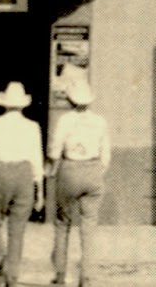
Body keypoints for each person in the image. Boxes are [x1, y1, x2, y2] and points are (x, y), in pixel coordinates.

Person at [0, 81, 44, 287]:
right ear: (23, 105)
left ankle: (1, 260)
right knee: (18, 227)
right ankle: (12, 273)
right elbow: (36, 158)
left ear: (4, 103)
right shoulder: (32, 127)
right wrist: (39, 190)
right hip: (24, 174)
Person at [48, 79, 109, 287]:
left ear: (70, 100)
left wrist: (54, 167)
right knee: (89, 227)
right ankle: (86, 277)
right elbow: (106, 154)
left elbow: (55, 149)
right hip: (93, 169)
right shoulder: (100, 121)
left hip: (70, 169)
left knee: (62, 223)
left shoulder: (65, 120)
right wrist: (98, 171)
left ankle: (60, 274)